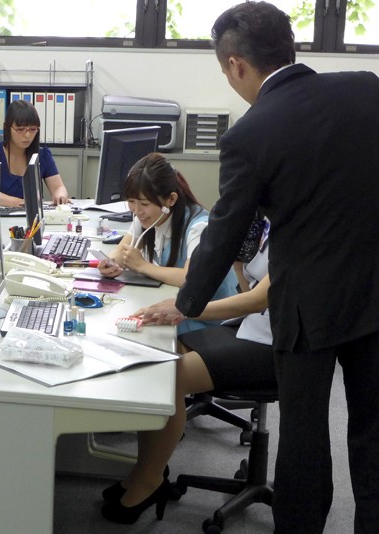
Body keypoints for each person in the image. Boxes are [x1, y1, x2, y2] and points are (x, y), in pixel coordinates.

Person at [138, 3, 379, 532]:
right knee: (372, 433)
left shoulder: (250, 133)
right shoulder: (366, 87)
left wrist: (186, 305)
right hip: (373, 291)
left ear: (236, 65)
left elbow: (225, 232)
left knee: (305, 440)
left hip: (306, 305)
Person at [101, 221, 273, 524]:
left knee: (167, 378)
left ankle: (150, 480)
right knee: (160, 362)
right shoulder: (267, 224)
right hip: (252, 327)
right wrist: (238, 262)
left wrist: (185, 308)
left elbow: (260, 299)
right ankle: (145, 471)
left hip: (277, 344)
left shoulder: (296, 227)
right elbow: (250, 294)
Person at [97, 152, 237, 334]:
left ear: (171, 200)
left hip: (209, 319)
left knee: (150, 333)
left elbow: (190, 278)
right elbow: (121, 251)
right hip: (179, 309)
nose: (137, 211)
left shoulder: (198, 226)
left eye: (145, 203)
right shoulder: (147, 218)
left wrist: (142, 266)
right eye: (131, 201)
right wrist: (110, 263)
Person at [0, 99, 70, 207]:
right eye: (20, 129)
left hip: (33, 216)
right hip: (0, 215)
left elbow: (58, 187)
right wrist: (22, 203)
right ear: (6, 127)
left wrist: (60, 195)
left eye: (32, 129)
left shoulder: (43, 155)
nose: (27, 135)